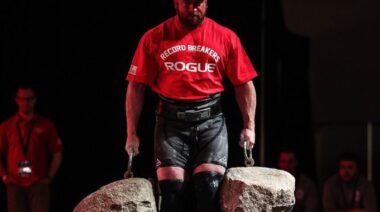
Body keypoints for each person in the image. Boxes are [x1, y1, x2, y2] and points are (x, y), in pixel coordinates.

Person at [124, 0, 258, 211]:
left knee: (209, 187)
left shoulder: (225, 37)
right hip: (170, 123)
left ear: (206, 3)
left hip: (210, 122)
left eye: (198, 2)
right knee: (172, 191)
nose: (193, 8)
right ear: (175, 2)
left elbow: (244, 84)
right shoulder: (154, 37)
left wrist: (249, 126)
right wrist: (131, 133)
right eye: (187, 2)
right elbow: (136, 87)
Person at [0, 85, 63, 212]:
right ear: (16, 100)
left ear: (35, 100)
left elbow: (57, 152)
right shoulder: (7, 126)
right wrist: (4, 177)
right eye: (22, 99)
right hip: (14, 183)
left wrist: (49, 177)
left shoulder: (46, 125)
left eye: (29, 99)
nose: (26, 102)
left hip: (38, 183)